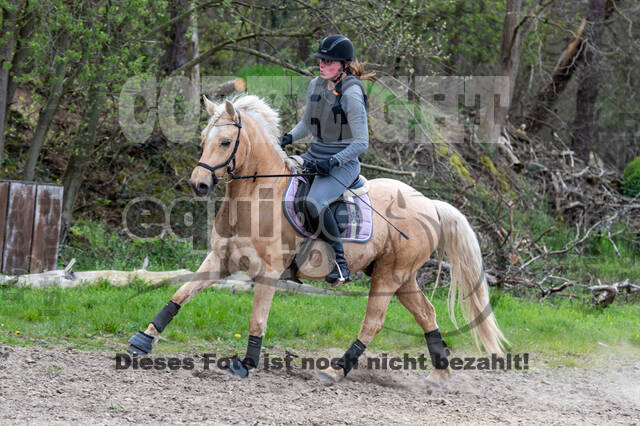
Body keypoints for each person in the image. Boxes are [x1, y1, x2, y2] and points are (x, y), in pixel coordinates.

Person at [280, 34, 374, 284]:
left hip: (343, 165)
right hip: (314, 157)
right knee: (283, 187)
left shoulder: (352, 94)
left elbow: (362, 142)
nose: (322, 64)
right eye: (321, 60)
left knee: (314, 201)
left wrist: (332, 162)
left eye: (329, 61)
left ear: (343, 65)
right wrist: (287, 137)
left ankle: (340, 265)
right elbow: (306, 125)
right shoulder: (316, 85)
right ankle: (292, 259)